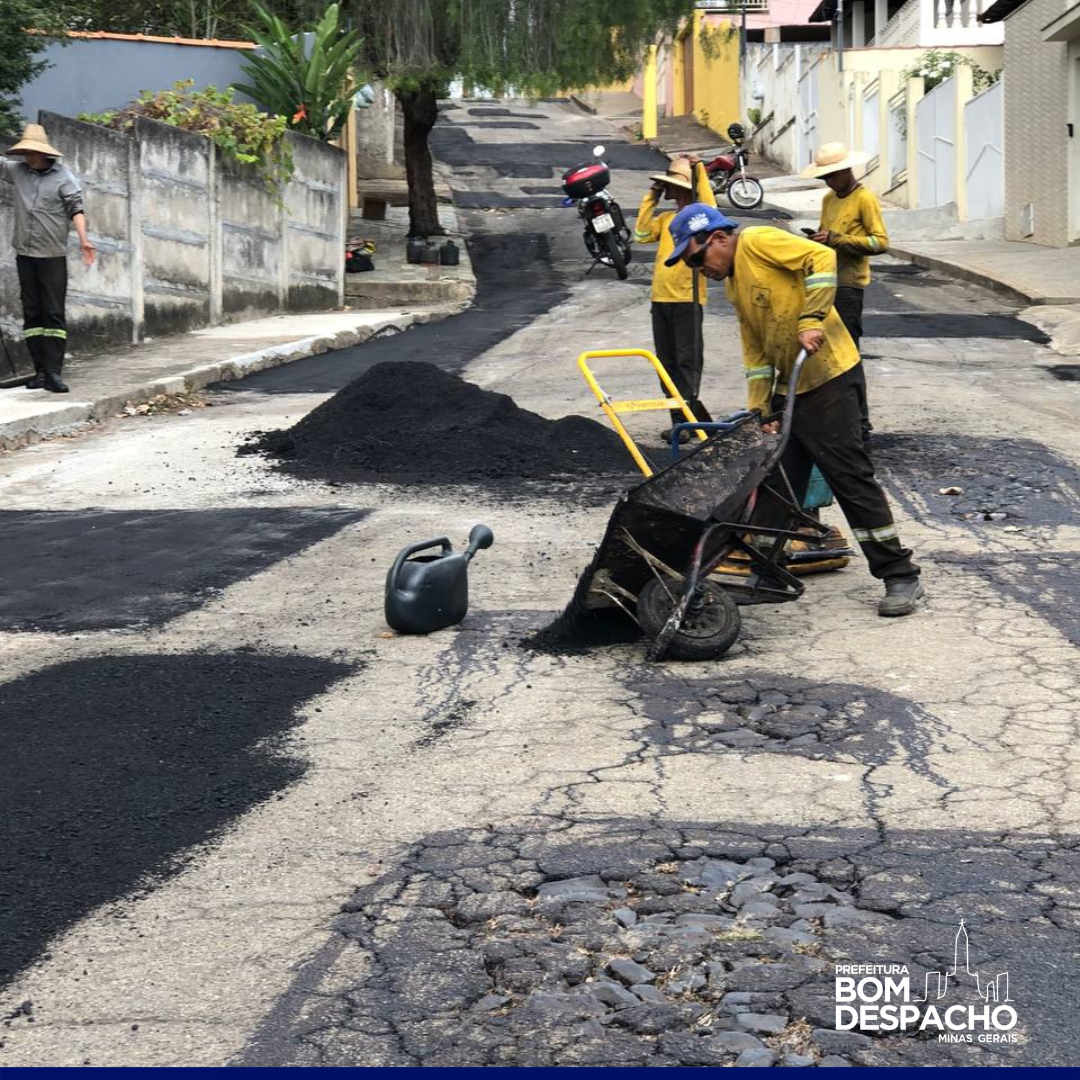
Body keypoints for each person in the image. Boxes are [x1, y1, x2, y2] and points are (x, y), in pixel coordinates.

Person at [664, 203, 923, 617]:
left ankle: (900, 574)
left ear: (718, 238)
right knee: (778, 481)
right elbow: (755, 350)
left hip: (829, 377)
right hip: (790, 387)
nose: (698, 270)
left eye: (696, 259)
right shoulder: (734, 284)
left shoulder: (758, 241)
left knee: (848, 475)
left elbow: (822, 256)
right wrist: (761, 409)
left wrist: (812, 319)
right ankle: (768, 572)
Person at [801, 142, 889, 443]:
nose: (828, 182)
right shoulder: (829, 199)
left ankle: (860, 423)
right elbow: (826, 237)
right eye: (824, 177)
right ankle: (835, 418)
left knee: (849, 355)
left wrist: (838, 239)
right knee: (827, 354)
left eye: (832, 176)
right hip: (825, 283)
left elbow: (880, 242)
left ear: (846, 171)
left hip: (849, 286)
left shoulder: (864, 199)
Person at [1, 123, 94, 393]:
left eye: (33, 152)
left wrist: (84, 240)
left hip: (52, 255)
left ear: (45, 153)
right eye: (26, 152)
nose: (29, 156)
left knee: (52, 313)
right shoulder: (17, 171)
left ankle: (54, 372)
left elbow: (76, 209)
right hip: (25, 254)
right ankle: (40, 371)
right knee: (32, 313)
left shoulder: (64, 177)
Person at [633, 155, 718, 440]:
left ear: (682, 188)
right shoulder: (667, 219)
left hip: (687, 299)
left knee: (687, 361)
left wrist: (699, 170)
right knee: (666, 363)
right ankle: (681, 418)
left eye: (667, 185)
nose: (665, 188)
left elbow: (710, 206)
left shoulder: (699, 219)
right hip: (661, 300)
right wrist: (651, 196)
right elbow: (641, 234)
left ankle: (685, 421)